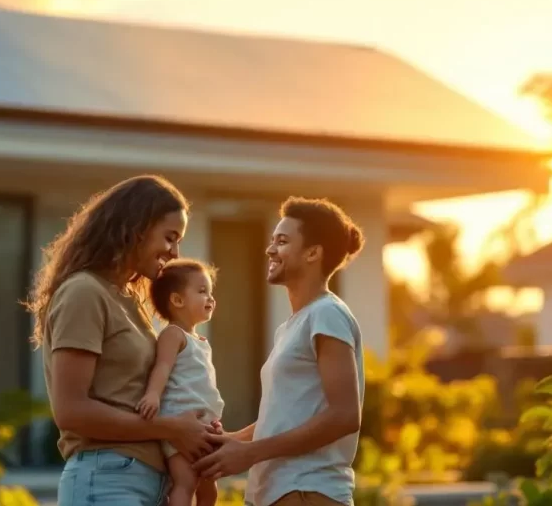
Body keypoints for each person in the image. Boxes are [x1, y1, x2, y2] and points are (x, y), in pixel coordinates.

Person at [30, 175, 222, 506]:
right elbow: (71, 411)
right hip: (107, 479)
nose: (175, 252)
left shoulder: (128, 302)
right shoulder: (84, 292)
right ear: (137, 228)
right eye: (170, 238)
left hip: (145, 482)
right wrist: (172, 429)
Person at [194, 196, 366, 506]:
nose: (270, 249)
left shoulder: (327, 314)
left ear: (313, 253)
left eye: (282, 241)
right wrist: (231, 440)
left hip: (307, 490)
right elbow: (284, 416)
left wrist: (250, 453)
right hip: (277, 492)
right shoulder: (291, 326)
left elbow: (345, 415)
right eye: (273, 240)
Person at [136, 259, 224, 506]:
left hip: (203, 428)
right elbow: (162, 367)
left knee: (210, 490)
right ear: (177, 300)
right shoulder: (173, 334)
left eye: (210, 292)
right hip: (179, 424)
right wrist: (153, 394)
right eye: (202, 291)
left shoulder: (200, 341)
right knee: (185, 483)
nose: (210, 298)